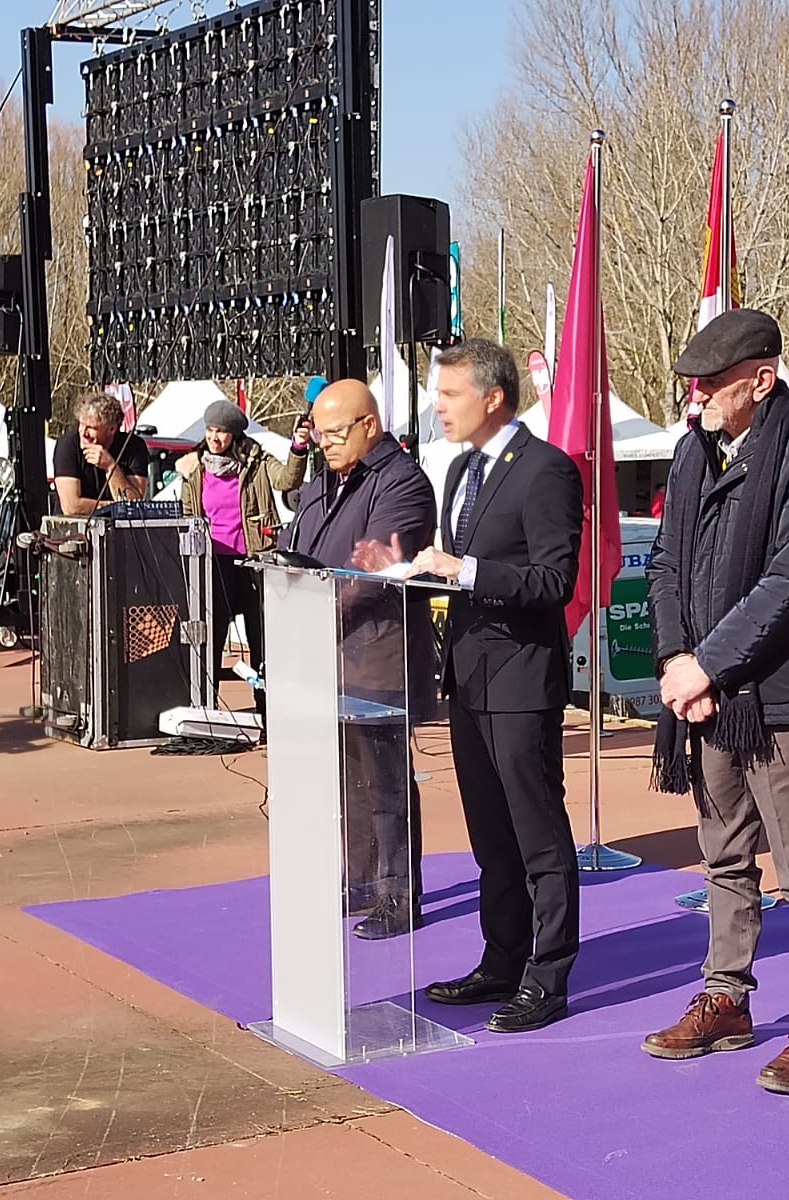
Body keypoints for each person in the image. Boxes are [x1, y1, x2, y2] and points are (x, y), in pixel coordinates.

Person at [643, 308, 789, 1094]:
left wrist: (706, 667)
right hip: (703, 694)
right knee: (723, 856)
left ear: (761, 381)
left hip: (780, 697)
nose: (694, 400)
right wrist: (675, 661)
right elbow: (664, 563)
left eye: (710, 386)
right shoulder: (693, 450)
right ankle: (726, 997)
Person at [408, 338, 583, 1034]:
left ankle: (548, 974)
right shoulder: (459, 471)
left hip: (522, 678)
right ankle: (502, 957)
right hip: (468, 676)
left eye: (448, 394)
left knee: (536, 832)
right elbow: (454, 566)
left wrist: (466, 570)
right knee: (489, 834)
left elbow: (554, 581)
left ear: (493, 397)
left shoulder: (545, 470)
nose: (437, 406)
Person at [286, 379, 437, 940]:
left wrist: (311, 617)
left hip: (377, 657)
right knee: (344, 782)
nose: (322, 442)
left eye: (333, 432)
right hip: (326, 658)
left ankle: (399, 894)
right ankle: (357, 884)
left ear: (368, 425)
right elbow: (298, 545)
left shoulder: (402, 482)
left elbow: (374, 569)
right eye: (316, 432)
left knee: (385, 785)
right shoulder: (326, 484)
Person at [176, 400, 308, 705]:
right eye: (210, 430)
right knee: (211, 637)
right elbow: (185, 513)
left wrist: (298, 446)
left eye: (221, 432)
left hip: (254, 560)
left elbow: (288, 479)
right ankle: (205, 705)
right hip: (212, 563)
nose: (214, 438)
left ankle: (266, 706)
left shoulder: (257, 460)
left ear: (235, 434)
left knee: (260, 638)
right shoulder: (193, 468)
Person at [53, 391, 151, 516]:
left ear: (112, 429)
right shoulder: (68, 445)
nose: (83, 432)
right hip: (74, 532)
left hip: (121, 532)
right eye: (81, 425)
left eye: (91, 427)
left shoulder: (134, 447)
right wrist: (114, 507)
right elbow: (71, 507)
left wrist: (111, 467)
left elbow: (134, 503)